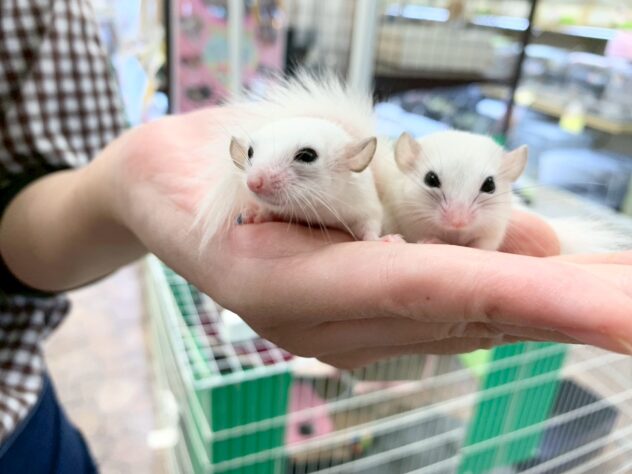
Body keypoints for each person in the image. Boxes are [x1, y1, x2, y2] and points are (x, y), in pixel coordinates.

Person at [1, 1, 632, 473]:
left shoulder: (367, 180)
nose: (260, 179)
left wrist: (119, 179)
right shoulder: (308, 172)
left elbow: (371, 213)